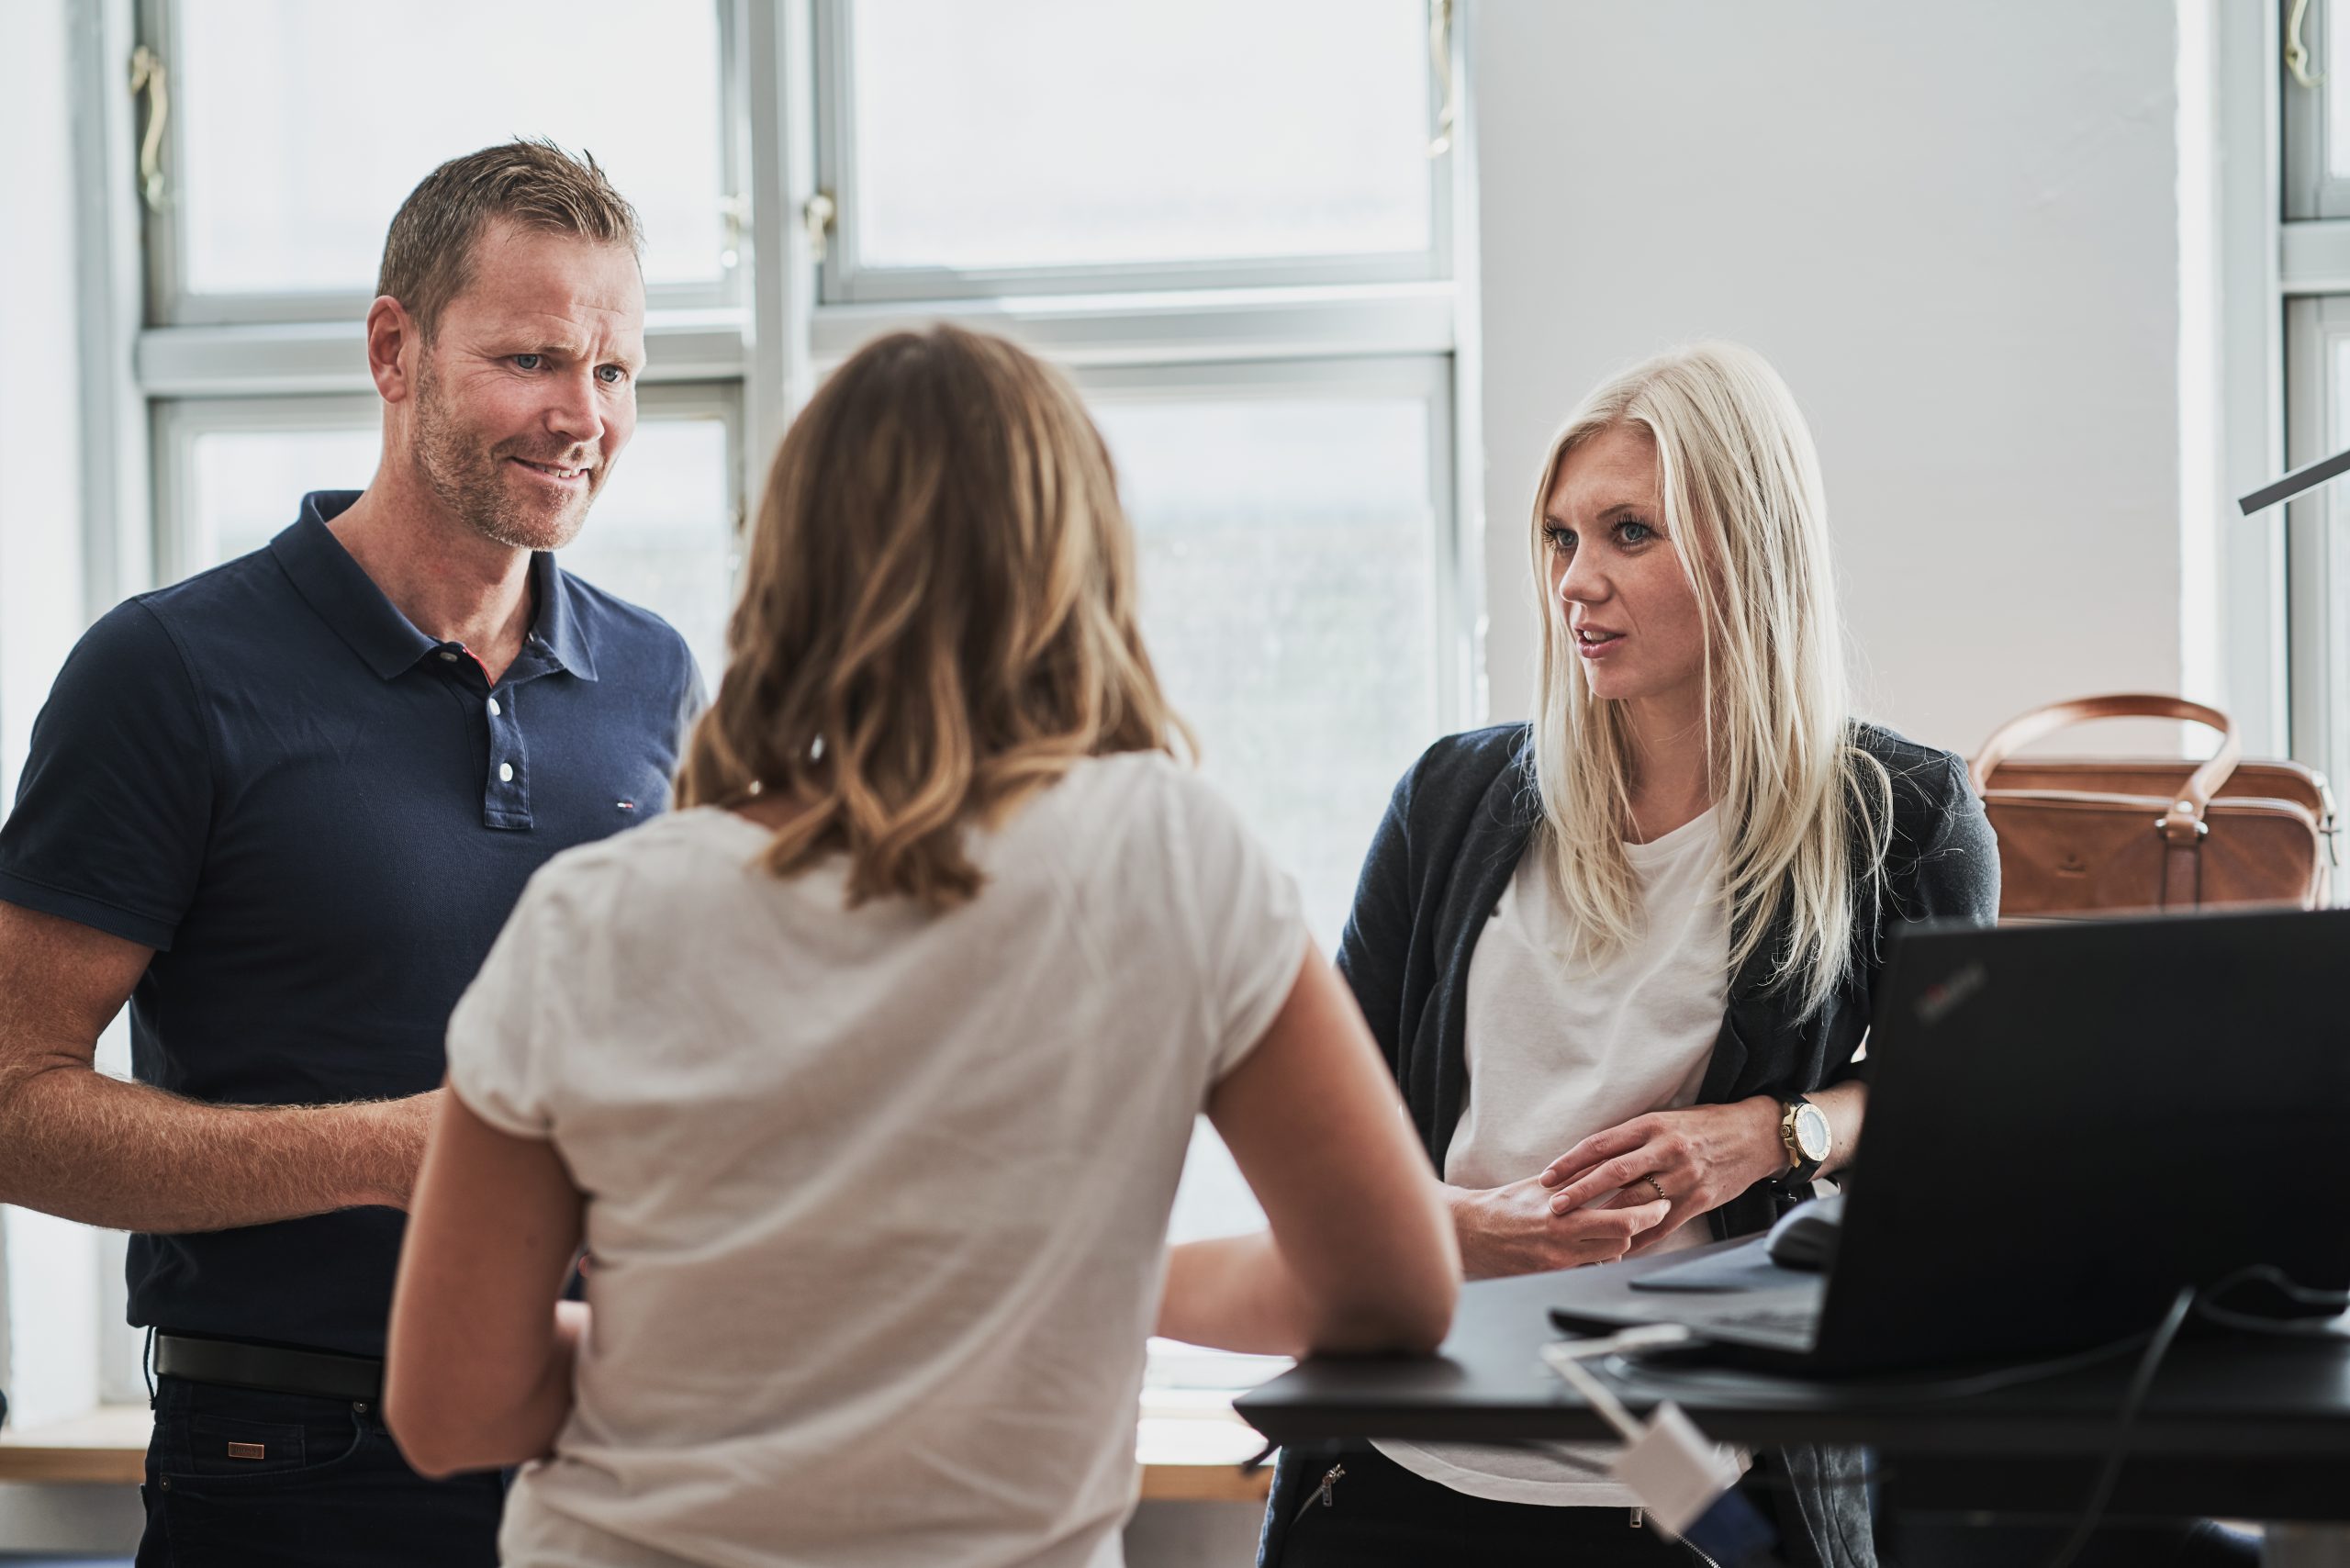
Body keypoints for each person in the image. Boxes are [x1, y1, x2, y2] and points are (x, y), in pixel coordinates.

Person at [382, 324, 1460, 1568]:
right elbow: (1395, 1290)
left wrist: (701, 1360)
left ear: (787, 576)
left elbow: (453, 1405)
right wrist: (1032, 1304)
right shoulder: (1169, 854)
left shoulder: (594, 917)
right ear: (1076, 567)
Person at [0, 140, 700, 1567]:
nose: (583, 416)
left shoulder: (655, 675)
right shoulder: (168, 672)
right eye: (531, 360)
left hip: (613, 1441)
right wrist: (387, 1154)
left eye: (615, 371)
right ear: (396, 351)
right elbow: (12, 1101)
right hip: (295, 1459)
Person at [1257, 342, 1998, 1568]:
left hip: (1673, 1467)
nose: (1576, 582)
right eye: (1561, 538)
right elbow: (1314, 1142)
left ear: (1748, 549)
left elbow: (1957, 1108)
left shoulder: (1899, 813)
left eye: (1629, 534)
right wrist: (1463, 1229)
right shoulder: (1449, 798)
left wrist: (1776, 1132)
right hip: (1406, 1445)